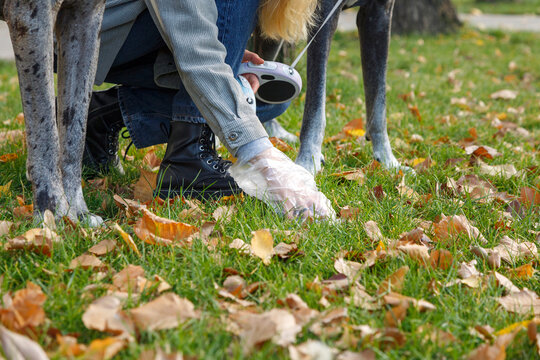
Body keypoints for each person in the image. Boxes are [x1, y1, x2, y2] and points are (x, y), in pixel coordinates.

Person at [85, 0, 335, 220]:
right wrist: (263, 158)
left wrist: (229, 58)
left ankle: (100, 116)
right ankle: (188, 156)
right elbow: (196, 46)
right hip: (88, 27)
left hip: (132, 33)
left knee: (269, 102)